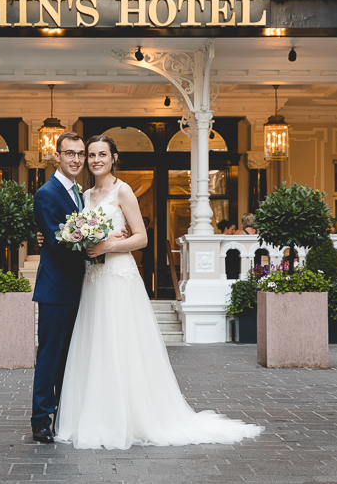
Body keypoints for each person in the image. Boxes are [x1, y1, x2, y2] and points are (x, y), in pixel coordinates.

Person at [55, 134, 262, 449]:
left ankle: (130, 416)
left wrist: (110, 244)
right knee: (95, 344)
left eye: (102, 155)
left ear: (113, 158)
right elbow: (80, 235)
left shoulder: (123, 191)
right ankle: (97, 413)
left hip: (118, 275)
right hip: (94, 277)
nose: (96, 160)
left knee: (121, 344)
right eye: (92, 155)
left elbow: (141, 238)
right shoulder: (85, 195)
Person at [30, 131, 89, 444]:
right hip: (56, 288)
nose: (76, 159)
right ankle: (41, 419)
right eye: (70, 153)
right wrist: (95, 240)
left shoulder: (79, 191)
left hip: (79, 286)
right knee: (50, 356)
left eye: (80, 154)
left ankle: (63, 412)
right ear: (57, 156)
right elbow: (56, 238)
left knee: (69, 355)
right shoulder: (47, 193)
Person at [140, 216, 155, 296]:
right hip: (145, 258)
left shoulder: (153, 231)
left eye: (145, 222)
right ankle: (148, 292)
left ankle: (154, 292)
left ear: (148, 223)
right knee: (147, 276)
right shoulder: (142, 232)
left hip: (153, 257)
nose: (143, 224)